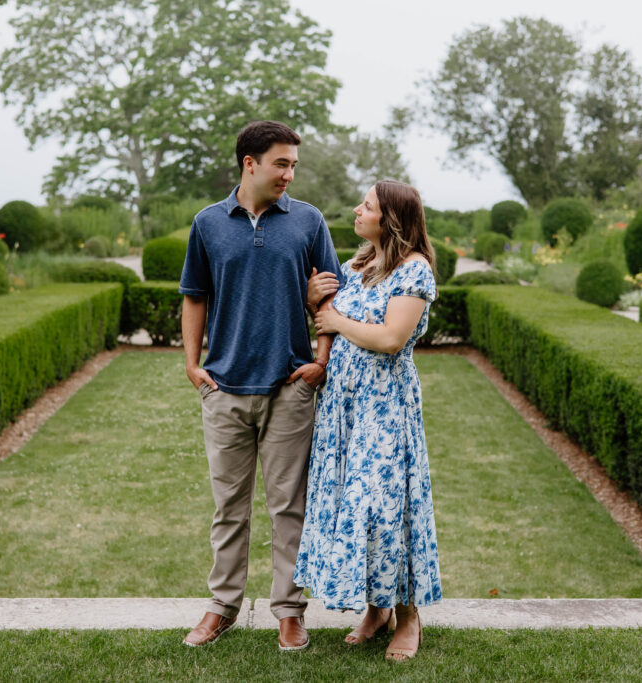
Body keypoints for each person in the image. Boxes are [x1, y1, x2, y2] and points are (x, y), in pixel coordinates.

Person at [179, 120, 342, 651]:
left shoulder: (309, 222)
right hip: (224, 387)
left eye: (294, 164)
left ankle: (289, 611)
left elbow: (332, 298)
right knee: (229, 508)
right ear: (250, 164)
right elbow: (194, 295)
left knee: (288, 506)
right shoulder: (207, 224)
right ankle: (222, 607)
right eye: (282, 163)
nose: (290, 174)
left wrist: (320, 361)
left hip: (289, 387)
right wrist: (191, 365)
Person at [293, 179, 443, 663]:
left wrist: (335, 322)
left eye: (367, 206)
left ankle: (408, 616)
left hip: (384, 409)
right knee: (354, 509)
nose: (357, 211)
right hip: (343, 409)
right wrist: (316, 298)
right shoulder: (358, 265)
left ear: (392, 219)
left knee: (386, 510)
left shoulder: (413, 271)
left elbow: (391, 338)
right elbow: (325, 314)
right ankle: (376, 611)